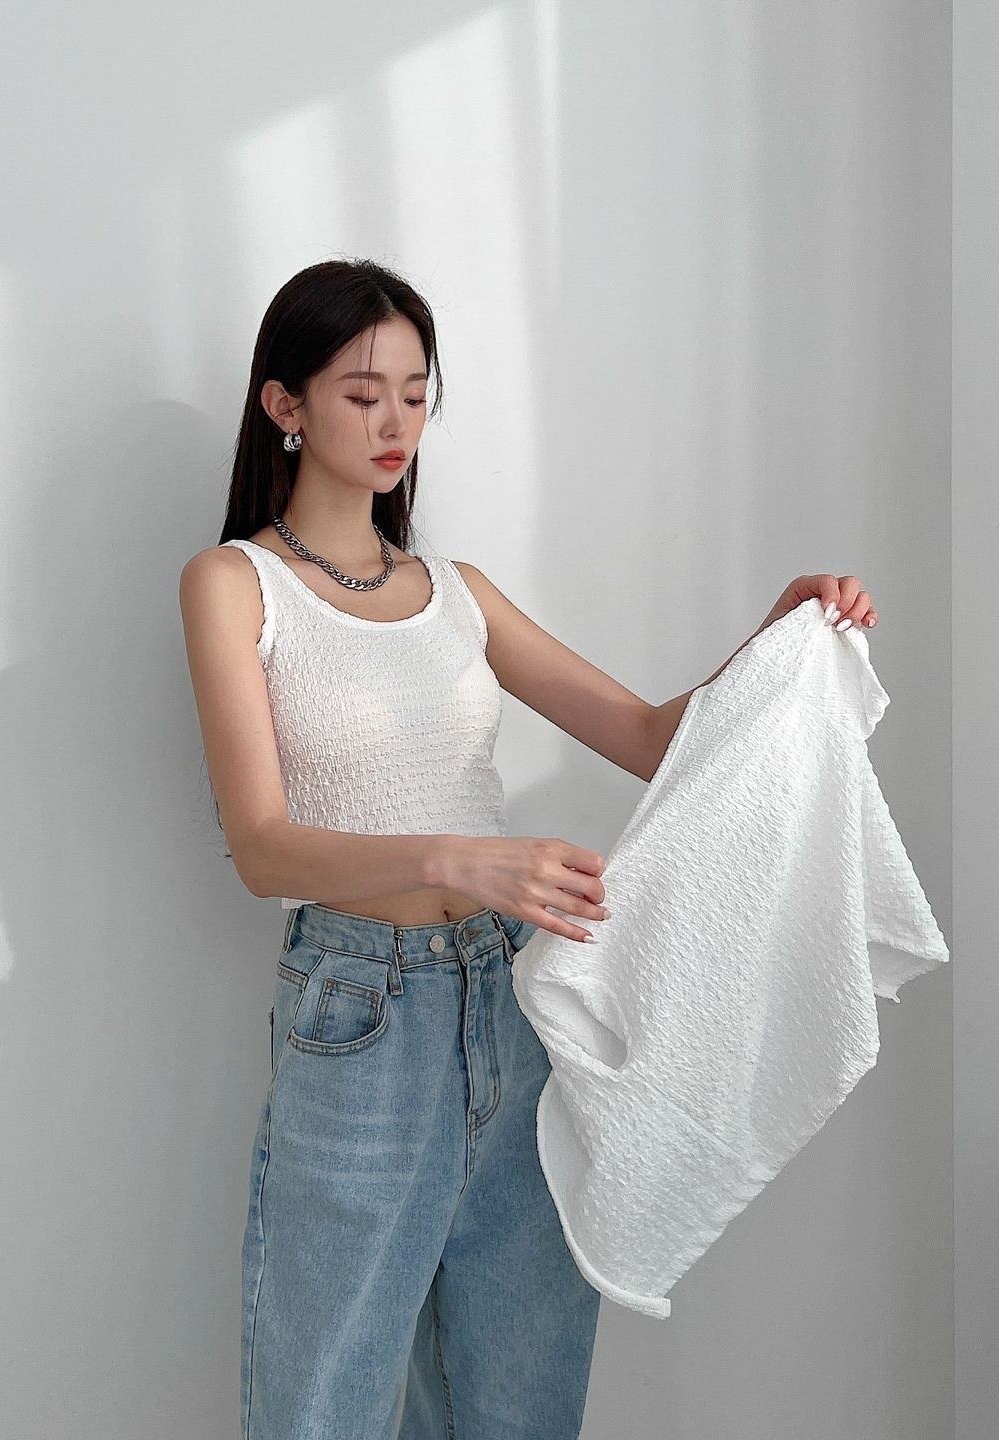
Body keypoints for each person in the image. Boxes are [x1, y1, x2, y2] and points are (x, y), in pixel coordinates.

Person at [178, 257, 878, 1439]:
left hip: (513, 1003)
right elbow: (262, 849)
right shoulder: (235, 585)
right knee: (324, 1400)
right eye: (362, 393)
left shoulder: (459, 592)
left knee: (519, 1397)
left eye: (416, 393)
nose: (396, 422)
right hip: (360, 1013)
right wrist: (456, 859)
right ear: (284, 404)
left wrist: (783, 635)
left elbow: (652, 738)